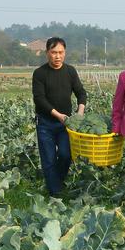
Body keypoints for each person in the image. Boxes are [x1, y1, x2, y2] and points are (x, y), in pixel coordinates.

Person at [32, 37, 87, 196]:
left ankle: (57, 181)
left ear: (65, 53)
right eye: (54, 52)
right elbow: (39, 99)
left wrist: (80, 112)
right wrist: (58, 115)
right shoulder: (40, 73)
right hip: (45, 123)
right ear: (47, 53)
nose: (57, 56)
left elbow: (81, 92)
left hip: (66, 124)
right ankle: (55, 193)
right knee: (48, 159)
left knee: (65, 155)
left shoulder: (70, 71)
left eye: (60, 52)